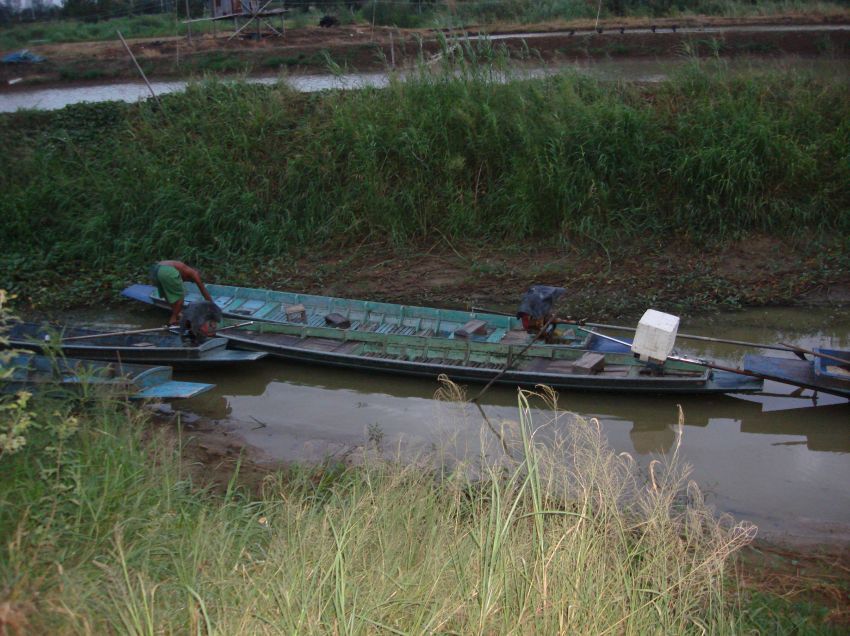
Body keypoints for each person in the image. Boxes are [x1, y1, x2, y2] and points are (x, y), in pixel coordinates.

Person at [148, 260, 213, 326]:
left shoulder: (182, 269)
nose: (189, 281)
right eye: (191, 281)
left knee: (168, 295)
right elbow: (203, 291)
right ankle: (172, 320)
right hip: (167, 271)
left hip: (157, 269)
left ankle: (177, 314)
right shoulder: (194, 274)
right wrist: (212, 306)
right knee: (181, 296)